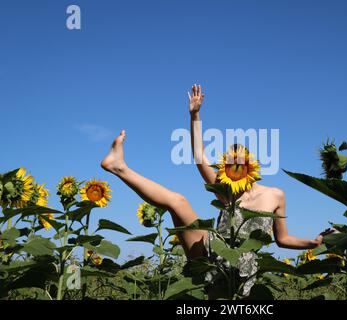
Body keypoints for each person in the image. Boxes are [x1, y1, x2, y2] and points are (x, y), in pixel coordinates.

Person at [100, 84, 332, 294]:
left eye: (241, 163)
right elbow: (200, 155)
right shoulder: (225, 190)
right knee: (177, 201)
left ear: (252, 165)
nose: (236, 168)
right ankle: (119, 167)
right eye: (230, 164)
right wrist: (195, 115)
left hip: (244, 269)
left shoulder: (275, 195)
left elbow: (283, 239)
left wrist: (312, 243)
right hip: (211, 256)